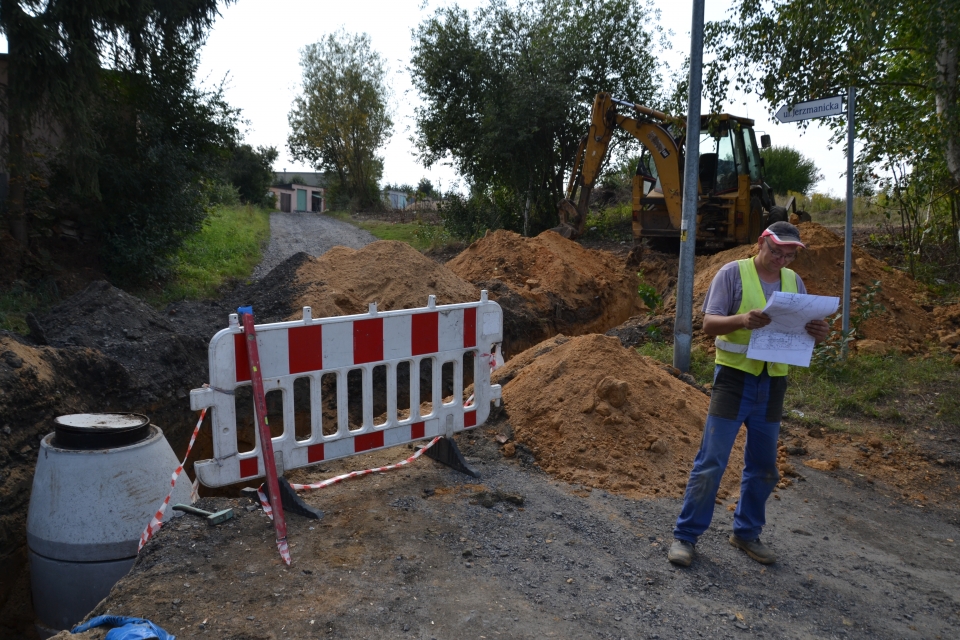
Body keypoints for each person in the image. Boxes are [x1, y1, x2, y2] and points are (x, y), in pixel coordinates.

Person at [667, 221, 830, 567]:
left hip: (772, 384)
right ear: (761, 243)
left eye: (788, 256)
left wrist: (820, 332)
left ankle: (746, 533)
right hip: (734, 380)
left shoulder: (793, 282)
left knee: (764, 466)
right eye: (775, 252)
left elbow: (805, 331)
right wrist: (742, 320)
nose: (780, 260)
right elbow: (709, 324)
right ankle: (686, 537)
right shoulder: (732, 274)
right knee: (712, 462)